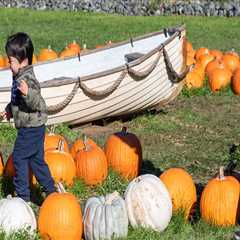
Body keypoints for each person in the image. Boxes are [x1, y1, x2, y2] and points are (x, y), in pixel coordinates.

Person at [0, 32, 55, 203]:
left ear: (23, 61)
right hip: (34, 127)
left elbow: (38, 103)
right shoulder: (19, 75)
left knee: (19, 157)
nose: (9, 64)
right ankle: (51, 190)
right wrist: (9, 110)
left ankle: (23, 197)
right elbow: (18, 101)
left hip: (30, 128)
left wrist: (27, 93)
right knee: (36, 161)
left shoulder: (27, 79)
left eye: (11, 61)